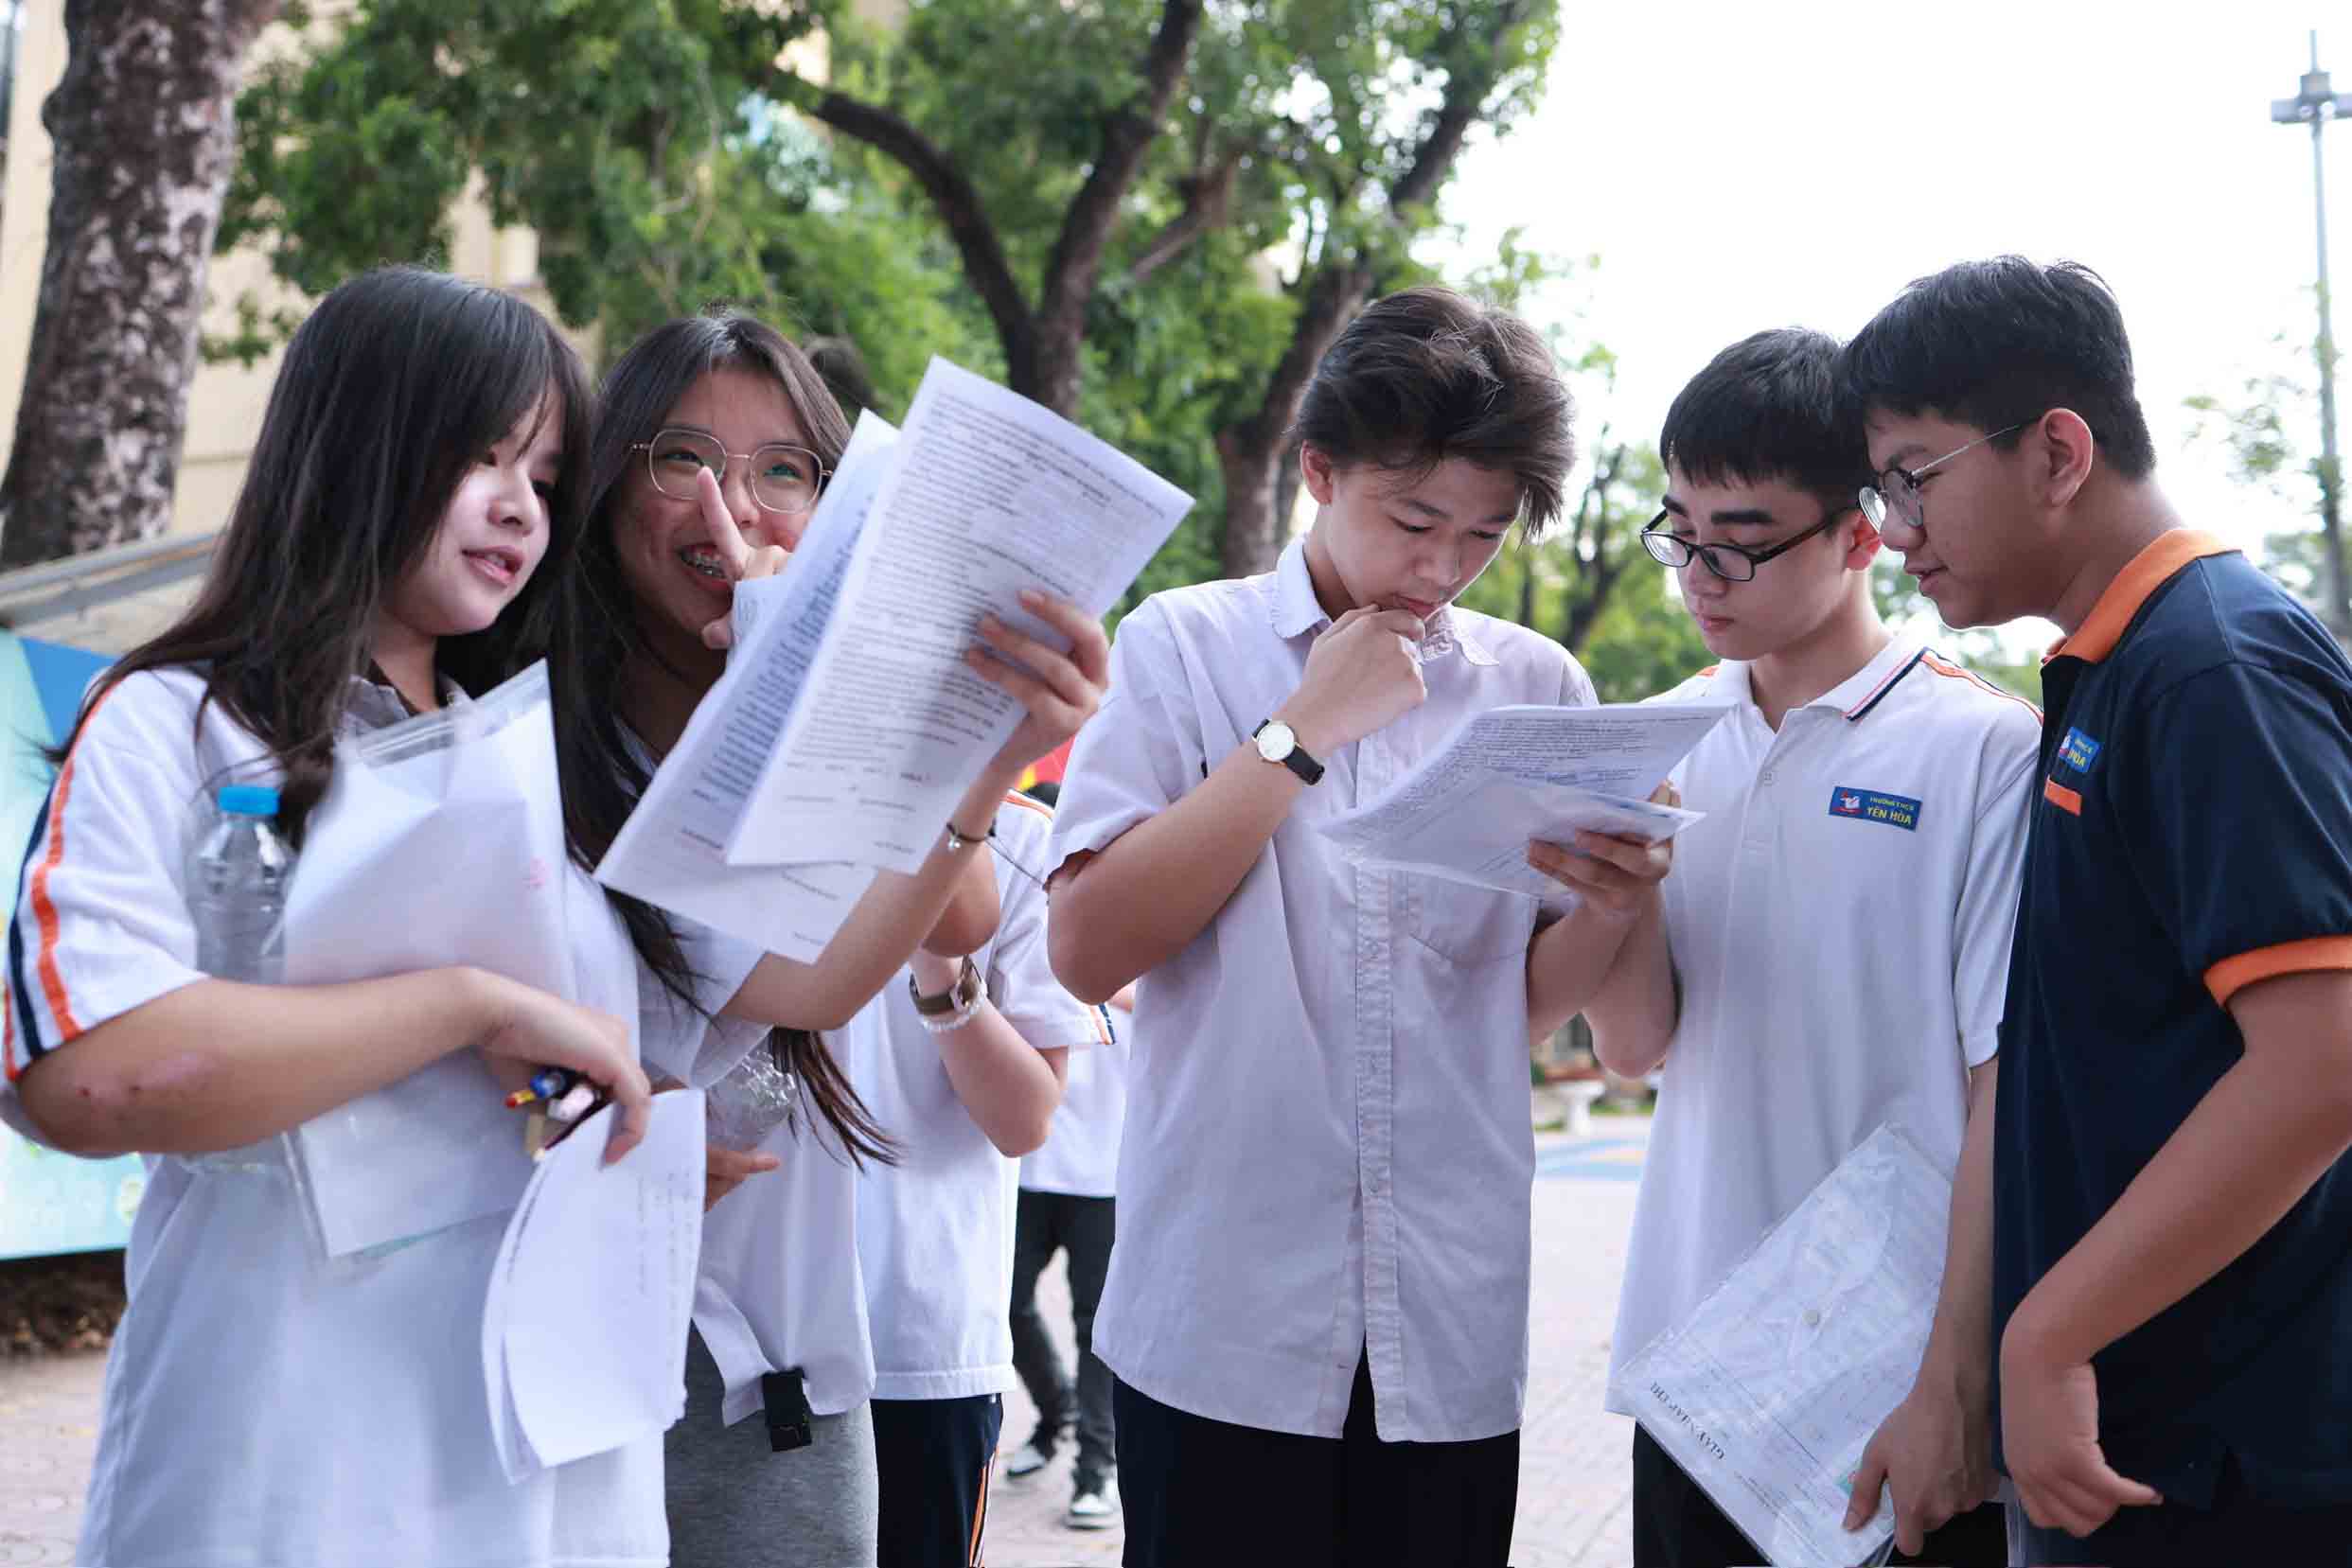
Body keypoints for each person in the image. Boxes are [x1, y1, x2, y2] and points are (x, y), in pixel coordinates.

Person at [1, 266, 664, 1566]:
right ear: (356, 445)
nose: (516, 507)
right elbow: (90, 1077)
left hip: (545, 1448)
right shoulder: (173, 726)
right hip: (282, 1452)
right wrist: (466, 1007)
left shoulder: (554, 752)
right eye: (479, 455)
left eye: (541, 476)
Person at [1042, 284, 1671, 1566]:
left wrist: (1619, 894)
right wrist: (1299, 731)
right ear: (1318, 470)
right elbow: (1087, 949)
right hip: (1222, 1319)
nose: (1440, 569)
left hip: (1446, 1319)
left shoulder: (1536, 688)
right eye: (1414, 520)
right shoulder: (1184, 647)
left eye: (1483, 536)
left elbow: (1507, 1018)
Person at [557, 308, 1107, 1566]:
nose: (731, 506)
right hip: (576, 1339)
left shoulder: (822, 726)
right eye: (680, 457)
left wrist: (951, 732)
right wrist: (572, 1137)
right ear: (604, 484)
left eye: (782, 471)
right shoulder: (537, 742)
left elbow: (956, 918)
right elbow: (810, 985)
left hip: (796, 1364)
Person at [1839, 256, 2352, 1567]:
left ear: (2057, 451)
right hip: (2133, 1448)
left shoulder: (2211, 666)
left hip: (2228, 1465)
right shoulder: (2119, 664)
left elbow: (2324, 1059)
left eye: (1912, 474)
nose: (1894, 528)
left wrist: (2047, 1331)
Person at [1561, 327, 2035, 1568]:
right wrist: (1617, 897)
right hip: (1697, 1357)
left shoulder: (1982, 752)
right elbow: (1632, 1051)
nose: (1700, 575)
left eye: (1744, 540)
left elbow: (2005, 1088)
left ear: (1860, 534)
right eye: (1680, 532)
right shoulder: (1663, 742)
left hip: (1893, 1375)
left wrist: (1958, 1379)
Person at [848, 787, 1105, 1566]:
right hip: (740, 1336)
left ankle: (1091, 1454)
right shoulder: (715, 795)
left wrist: (941, 963)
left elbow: (1024, 1119)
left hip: (916, 1341)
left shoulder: (1022, 838)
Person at [1004, 916, 1131, 1533]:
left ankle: (1095, 1468)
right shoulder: (1031, 949)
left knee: (1094, 1327)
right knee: (1005, 1301)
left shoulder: (1144, 965)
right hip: (1028, 1168)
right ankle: (1057, 1415)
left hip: (1104, 1178)